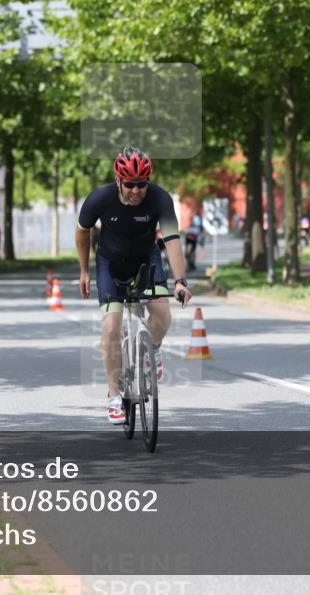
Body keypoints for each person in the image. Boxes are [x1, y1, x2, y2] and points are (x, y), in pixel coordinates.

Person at [76, 145, 193, 425]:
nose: (136, 190)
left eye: (141, 184)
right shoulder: (100, 199)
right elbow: (82, 232)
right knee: (111, 326)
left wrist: (179, 281)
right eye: (130, 184)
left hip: (145, 259)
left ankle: (152, 349)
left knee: (163, 313)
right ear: (118, 180)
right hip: (110, 262)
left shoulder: (160, 199)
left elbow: (172, 239)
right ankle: (114, 396)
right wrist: (83, 271)